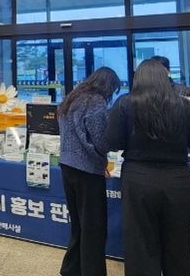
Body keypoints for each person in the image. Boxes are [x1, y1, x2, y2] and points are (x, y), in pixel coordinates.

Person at [107, 59, 190, 276]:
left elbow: (113, 142)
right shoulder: (186, 106)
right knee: (182, 243)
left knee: (140, 242)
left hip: (137, 179)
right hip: (177, 179)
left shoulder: (125, 103)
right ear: (166, 78)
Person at [58, 67, 121, 276]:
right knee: (94, 227)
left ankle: (71, 269)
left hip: (67, 167)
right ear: (108, 85)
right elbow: (100, 139)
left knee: (78, 224)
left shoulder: (73, 97)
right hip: (87, 170)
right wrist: (105, 156)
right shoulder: (96, 101)